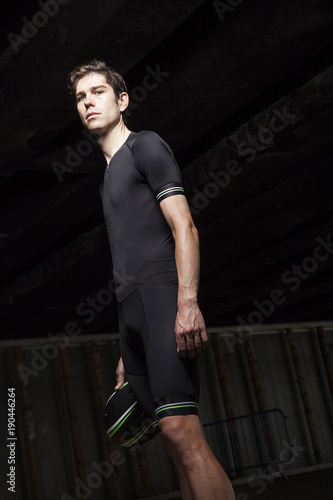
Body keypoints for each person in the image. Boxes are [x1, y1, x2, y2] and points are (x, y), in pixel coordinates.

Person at [68, 59, 235, 500]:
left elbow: (185, 227)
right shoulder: (106, 179)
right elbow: (125, 256)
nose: (88, 102)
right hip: (132, 315)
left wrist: (187, 302)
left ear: (122, 100)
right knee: (170, 440)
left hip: (164, 298)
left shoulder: (146, 146)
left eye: (98, 92)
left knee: (182, 430)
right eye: (81, 98)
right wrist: (127, 347)